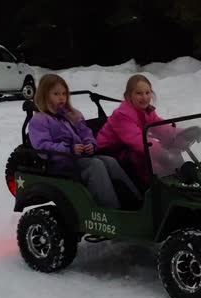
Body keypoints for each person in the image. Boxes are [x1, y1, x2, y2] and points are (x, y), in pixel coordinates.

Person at [27, 74, 141, 209]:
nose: (61, 97)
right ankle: (110, 210)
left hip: (79, 158)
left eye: (64, 93)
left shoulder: (72, 115)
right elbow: (43, 147)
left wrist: (90, 144)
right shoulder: (40, 120)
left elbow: (86, 133)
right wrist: (69, 149)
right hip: (59, 164)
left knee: (110, 161)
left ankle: (136, 201)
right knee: (95, 166)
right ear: (44, 95)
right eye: (56, 94)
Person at [96, 74, 201, 186]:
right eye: (139, 93)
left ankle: (181, 182)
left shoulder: (146, 111)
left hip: (128, 147)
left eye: (147, 93)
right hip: (111, 153)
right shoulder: (121, 115)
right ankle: (156, 190)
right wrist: (164, 155)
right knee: (148, 159)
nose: (144, 97)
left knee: (171, 150)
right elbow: (138, 140)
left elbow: (162, 128)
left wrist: (184, 134)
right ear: (129, 96)